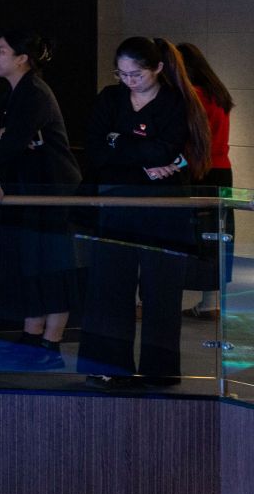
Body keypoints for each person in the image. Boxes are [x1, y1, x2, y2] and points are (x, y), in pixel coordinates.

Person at [78, 37, 206, 384]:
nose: (129, 81)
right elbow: (95, 150)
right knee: (109, 286)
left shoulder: (175, 102)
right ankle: (108, 367)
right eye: (122, 74)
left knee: (161, 289)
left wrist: (118, 141)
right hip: (115, 201)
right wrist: (142, 157)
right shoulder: (110, 97)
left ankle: (159, 369)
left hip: (163, 206)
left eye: (136, 74)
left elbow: (164, 150)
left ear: (158, 69)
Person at [0, 31, 82, 352]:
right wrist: (3, 135)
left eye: (2, 51)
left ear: (22, 58)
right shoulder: (16, 93)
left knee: (52, 263)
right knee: (31, 261)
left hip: (52, 192)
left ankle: (51, 339)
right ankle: (32, 332)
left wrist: (5, 136)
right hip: (30, 189)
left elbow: (9, 143)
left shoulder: (35, 93)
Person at [177, 41, 235, 320]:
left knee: (194, 236)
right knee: (217, 234)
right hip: (222, 169)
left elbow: (189, 140)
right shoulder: (218, 94)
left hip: (197, 170)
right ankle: (210, 302)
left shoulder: (192, 96)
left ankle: (155, 299)